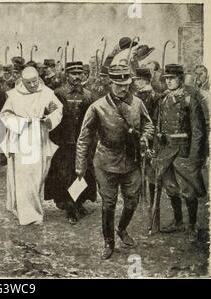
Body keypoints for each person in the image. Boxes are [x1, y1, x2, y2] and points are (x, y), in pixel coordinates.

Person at [76, 64, 154, 259]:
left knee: (132, 201)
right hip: (105, 161)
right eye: (119, 84)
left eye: (126, 84)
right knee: (109, 204)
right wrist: (80, 164)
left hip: (131, 160)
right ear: (110, 83)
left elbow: (148, 124)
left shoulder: (137, 103)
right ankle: (108, 241)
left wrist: (145, 136)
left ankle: (122, 228)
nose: (123, 88)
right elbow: (84, 138)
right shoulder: (97, 106)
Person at [0, 66, 63, 226]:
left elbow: (57, 110)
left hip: (40, 137)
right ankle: (29, 214)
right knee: (24, 176)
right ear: (22, 81)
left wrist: (49, 119)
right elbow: (5, 114)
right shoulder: (14, 95)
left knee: (37, 176)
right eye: (29, 83)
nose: (33, 85)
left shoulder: (47, 93)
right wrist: (21, 122)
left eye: (35, 81)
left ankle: (32, 208)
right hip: (21, 138)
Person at [153, 64, 206, 242]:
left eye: (172, 78)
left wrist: (194, 156)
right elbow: (158, 125)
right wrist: (157, 143)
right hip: (166, 151)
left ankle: (192, 226)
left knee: (188, 191)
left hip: (184, 151)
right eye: (166, 78)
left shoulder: (190, 100)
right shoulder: (163, 99)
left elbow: (198, 131)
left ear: (180, 79)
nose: (168, 81)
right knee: (171, 188)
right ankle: (178, 221)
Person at [45, 61, 96, 224]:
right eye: (73, 74)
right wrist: (56, 139)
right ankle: (70, 207)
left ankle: (78, 203)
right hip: (65, 143)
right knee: (65, 175)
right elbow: (52, 117)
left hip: (83, 142)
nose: (77, 77)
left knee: (83, 173)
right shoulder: (58, 93)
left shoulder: (89, 95)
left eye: (79, 73)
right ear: (67, 75)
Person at [132, 67, 161, 207]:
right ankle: (140, 197)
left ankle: (151, 198)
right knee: (138, 167)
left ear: (144, 80)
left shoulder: (155, 97)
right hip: (137, 136)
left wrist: (149, 137)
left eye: (137, 80)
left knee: (150, 169)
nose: (136, 82)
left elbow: (156, 121)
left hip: (150, 137)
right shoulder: (136, 96)